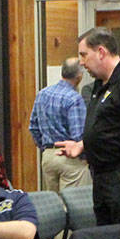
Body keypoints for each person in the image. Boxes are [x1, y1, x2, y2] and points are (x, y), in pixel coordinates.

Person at [57, 27, 120, 229]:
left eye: (84, 55)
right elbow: (106, 127)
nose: (81, 63)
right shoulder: (100, 84)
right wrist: (82, 145)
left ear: (101, 52)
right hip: (102, 177)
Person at [29, 56, 90, 192]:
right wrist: (84, 157)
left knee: (54, 206)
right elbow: (78, 135)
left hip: (48, 157)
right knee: (73, 204)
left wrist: (46, 147)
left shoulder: (42, 94)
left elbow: (33, 127)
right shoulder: (74, 99)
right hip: (69, 157)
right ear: (79, 76)